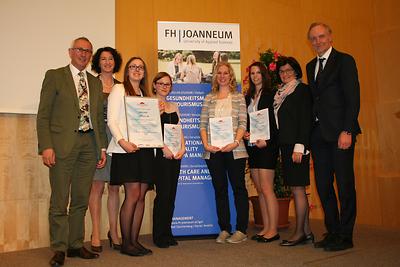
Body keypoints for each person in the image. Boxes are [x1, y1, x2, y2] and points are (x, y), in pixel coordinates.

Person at [37, 37, 107, 266]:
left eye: (88, 51)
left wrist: (102, 147)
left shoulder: (95, 83)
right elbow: (44, 114)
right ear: (70, 52)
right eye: (80, 50)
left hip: (89, 145)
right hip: (62, 146)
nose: (84, 54)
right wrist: (46, 146)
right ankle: (58, 247)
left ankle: (75, 245)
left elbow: (97, 117)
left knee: (80, 199)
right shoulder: (55, 76)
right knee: (59, 200)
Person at [306, 22, 361, 251]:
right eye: (313, 38)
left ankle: (346, 236)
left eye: (321, 36)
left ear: (330, 37)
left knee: (345, 185)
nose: (318, 41)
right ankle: (333, 231)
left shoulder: (345, 60)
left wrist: (347, 130)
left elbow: (353, 98)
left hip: (341, 134)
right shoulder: (311, 66)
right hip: (319, 135)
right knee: (324, 185)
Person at [107, 57, 154, 256]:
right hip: (126, 149)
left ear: (144, 72)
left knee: (141, 196)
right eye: (133, 67)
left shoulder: (145, 94)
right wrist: (122, 141)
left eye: (140, 67)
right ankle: (126, 243)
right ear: (127, 71)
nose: (137, 70)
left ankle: (135, 241)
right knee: (133, 195)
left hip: (144, 149)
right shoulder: (119, 90)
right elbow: (111, 120)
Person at [200, 62, 249, 244]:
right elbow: (202, 125)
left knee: (238, 189)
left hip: (235, 150)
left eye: (225, 73)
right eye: (219, 73)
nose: (222, 76)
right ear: (215, 76)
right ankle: (224, 228)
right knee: (220, 190)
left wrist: (235, 142)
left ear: (230, 76)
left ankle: (241, 229)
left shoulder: (238, 97)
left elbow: (243, 123)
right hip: (213, 151)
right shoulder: (209, 98)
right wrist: (206, 145)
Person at [272, 56, 313, 247]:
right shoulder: (281, 93)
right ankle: (307, 231)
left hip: (297, 146)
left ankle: (299, 233)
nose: (285, 74)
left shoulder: (302, 90)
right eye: (281, 71)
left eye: (288, 70)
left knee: (298, 189)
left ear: (296, 71)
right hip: (286, 145)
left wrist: (300, 146)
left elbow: (306, 120)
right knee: (297, 189)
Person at [88, 47, 123, 252]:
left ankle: (114, 231)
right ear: (98, 63)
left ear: (115, 62)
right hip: (98, 139)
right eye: (103, 59)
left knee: (114, 187)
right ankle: (95, 233)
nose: (107, 62)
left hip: (118, 139)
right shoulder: (91, 84)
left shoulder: (121, 86)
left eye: (111, 59)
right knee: (97, 187)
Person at [243, 62, 280, 243]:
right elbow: (248, 120)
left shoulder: (271, 94)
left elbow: (276, 122)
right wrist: (247, 133)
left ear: (264, 74)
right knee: (259, 189)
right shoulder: (248, 96)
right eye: (252, 73)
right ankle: (266, 227)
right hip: (253, 146)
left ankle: (273, 230)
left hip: (268, 145)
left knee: (267, 189)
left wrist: (268, 139)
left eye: (258, 73)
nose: (255, 76)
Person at [151, 72, 186, 248]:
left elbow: (179, 129)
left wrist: (183, 148)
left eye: (168, 84)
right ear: (154, 85)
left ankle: (168, 232)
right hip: (160, 156)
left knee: (171, 196)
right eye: (161, 83)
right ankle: (158, 235)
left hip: (175, 156)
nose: (165, 86)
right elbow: (149, 130)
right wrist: (163, 148)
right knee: (162, 196)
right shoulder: (150, 105)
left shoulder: (174, 105)